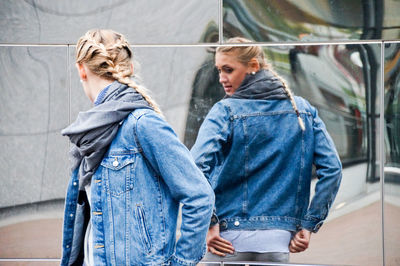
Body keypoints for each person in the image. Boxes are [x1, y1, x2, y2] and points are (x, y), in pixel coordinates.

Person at [60, 29, 214, 266]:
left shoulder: (142, 125)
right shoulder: (89, 132)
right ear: (129, 68)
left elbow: (199, 196)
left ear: (81, 69)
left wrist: (180, 263)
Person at [191, 37, 342, 264]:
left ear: (253, 66)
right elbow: (333, 170)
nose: (221, 78)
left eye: (228, 70)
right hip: (278, 242)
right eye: (219, 70)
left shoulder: (225, 111)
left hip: (226, 240)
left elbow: (195, 167)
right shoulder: (302, 110)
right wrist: (309, 225)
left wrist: (210, 223)